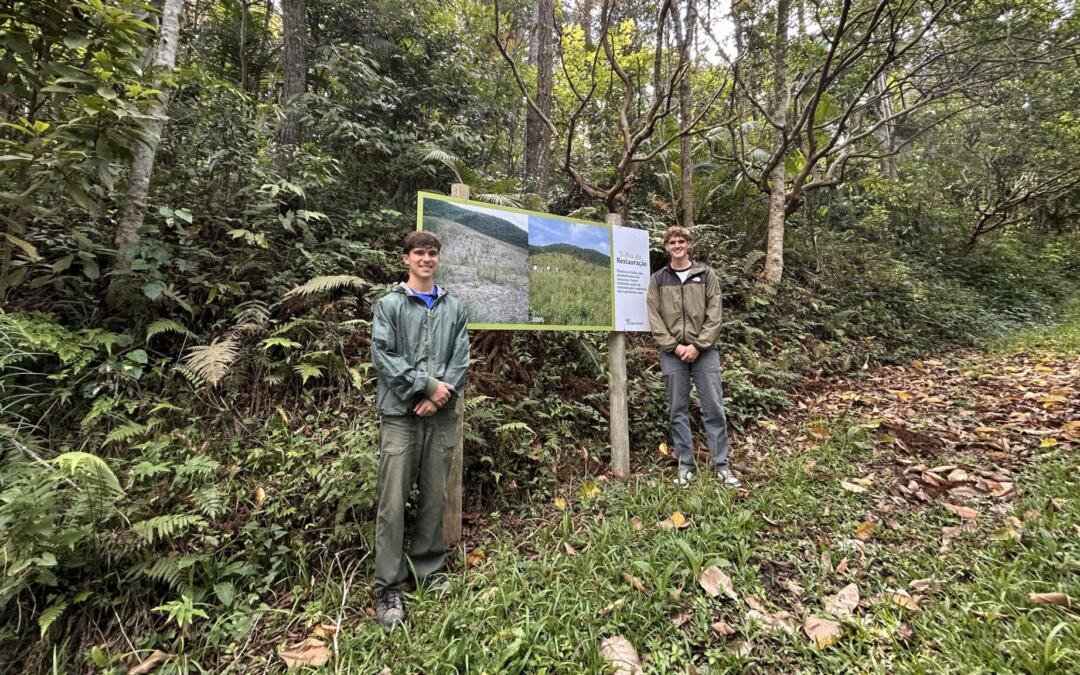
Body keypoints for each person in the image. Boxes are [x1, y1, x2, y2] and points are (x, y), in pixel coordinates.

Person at [370, 230, 469, 626]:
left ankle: (427, 569)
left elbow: (460, 359)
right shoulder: (390, 305)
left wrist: (439, 397)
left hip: (440, 417)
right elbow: (384, 355)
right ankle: (388, 586)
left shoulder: (454, 307)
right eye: (419, 253)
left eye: (432, 253)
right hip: (400, 415)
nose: (426, 259)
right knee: (392, 502)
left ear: (438, 258)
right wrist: (425, 386)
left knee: (433, 496)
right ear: (406, 259)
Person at [646, 225, 739, 488]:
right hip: (672, 353)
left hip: (705, 352)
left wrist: (698, 345)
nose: (677, 246)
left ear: (689, 244)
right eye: (672, 242)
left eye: (681, 241)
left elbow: (715, 314)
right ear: (666, 246)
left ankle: (721, 466)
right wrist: (674, 346)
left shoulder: (706, 274)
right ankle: (685, 466)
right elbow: (654, 317)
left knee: (713, 408)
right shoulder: (658, 279)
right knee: (678, 410)